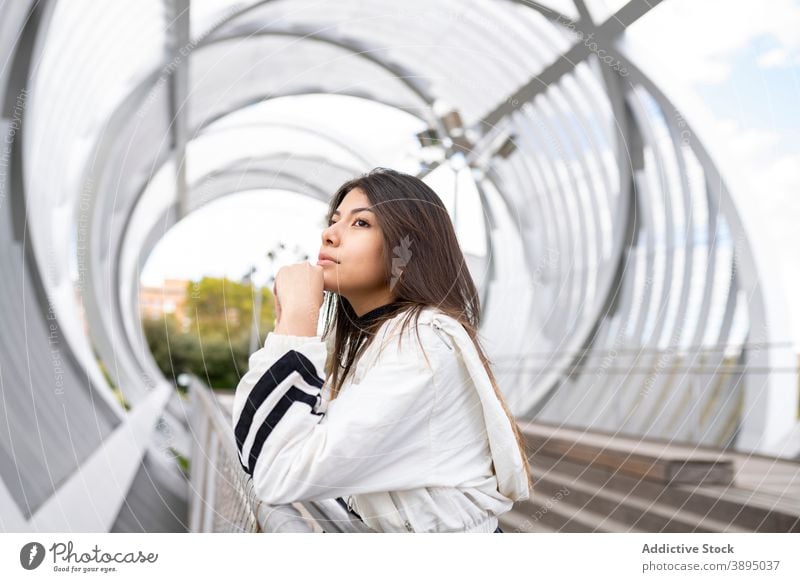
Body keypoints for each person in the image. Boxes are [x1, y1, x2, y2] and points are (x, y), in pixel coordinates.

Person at [231, 167, 533, 533]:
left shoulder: (424, 345)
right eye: (335, 219)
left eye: (360, 224)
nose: (329, 234)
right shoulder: (376, 341)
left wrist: (297, 319)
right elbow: (259, 452)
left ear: (407, 249)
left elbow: (279, 472)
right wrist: (291, 325)